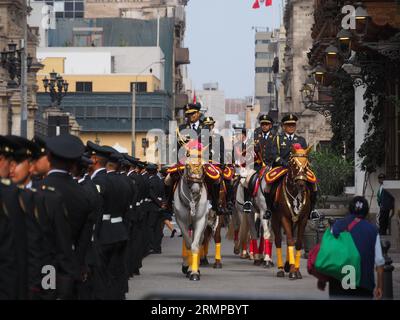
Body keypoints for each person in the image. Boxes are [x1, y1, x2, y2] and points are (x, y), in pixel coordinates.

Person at [317, 196, 384, 299]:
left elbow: (328, 252)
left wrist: (322, 279)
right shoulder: (373, 230)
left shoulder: (336, 226)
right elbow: (379, 261)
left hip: (338, 284)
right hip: (363, 285)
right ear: (366, 211)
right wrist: (379, 286)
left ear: (350, 209)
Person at [267, 114, 319, 220]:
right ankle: (269, 209)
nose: (291, 127)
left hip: (298, 169)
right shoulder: (278, 139)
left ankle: (312, 210)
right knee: (269, 185)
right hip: (282, 168)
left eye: (293, 125)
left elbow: (305, 155)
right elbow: (274, 155)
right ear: (283, 127)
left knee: (313, 183)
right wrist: (284, 163)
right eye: (289, 125)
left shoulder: (301, 140)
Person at [146, 163, 167, 254]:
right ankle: (158, 247)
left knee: (150, 227)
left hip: (153, 206)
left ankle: (152, 246)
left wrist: (159, 204)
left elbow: (151, 195)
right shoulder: (160, 180)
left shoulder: (150, 181)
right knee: (158, 228)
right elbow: (163, 194)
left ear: (149, 172)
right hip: (160, 206)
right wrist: (163, 203)